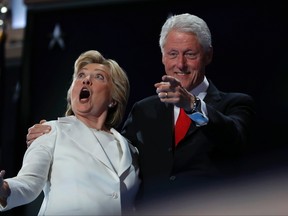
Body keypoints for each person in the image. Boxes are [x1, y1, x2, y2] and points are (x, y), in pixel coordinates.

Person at [26, 13, 255, 213]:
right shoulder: (145, 110)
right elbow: (114, 157)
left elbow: (234, 138)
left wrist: (193, 106)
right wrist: (58, 137)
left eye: (190, 54)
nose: (180, 64)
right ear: (163, 56)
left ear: (208, 55)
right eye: (173, 54)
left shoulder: (235, 104)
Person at [0, 50, 141, 215]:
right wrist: (3, 190)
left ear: (113, 100)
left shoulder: (131, 151)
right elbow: (28, 183)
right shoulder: (51, 131)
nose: (86, 80)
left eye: (99, 77)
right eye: (80, 75)